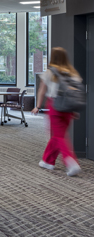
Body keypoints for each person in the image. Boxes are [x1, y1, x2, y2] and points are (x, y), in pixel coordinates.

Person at [32, 47, 82, 176]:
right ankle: (48, 161)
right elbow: (76, 92)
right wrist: (74, 109)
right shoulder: (72, 72)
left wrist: (37, 106)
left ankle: (71, 162)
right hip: (68, 108)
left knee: (59, 136)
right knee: (57, 135)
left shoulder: (50, 72)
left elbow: (42, 90)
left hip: (55, 105)